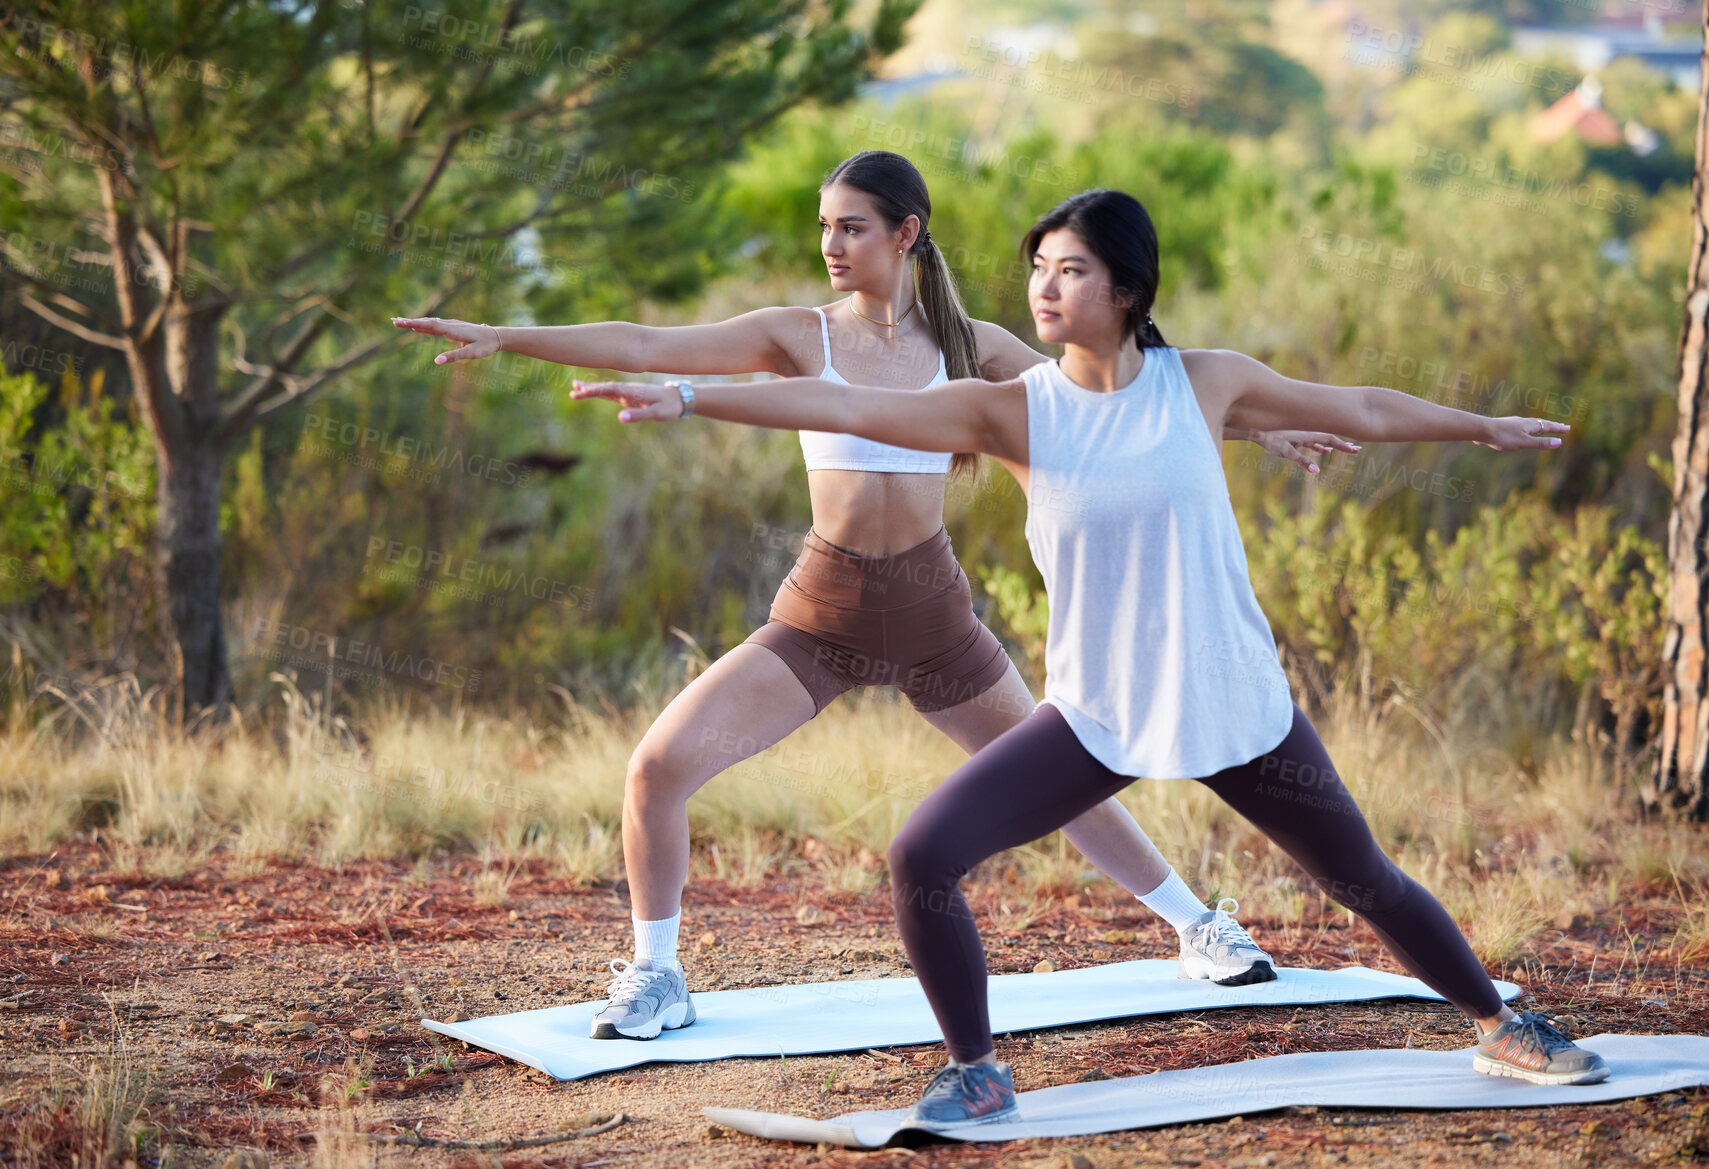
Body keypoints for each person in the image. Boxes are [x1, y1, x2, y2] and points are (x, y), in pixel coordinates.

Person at [568, 186, 1609, 1118]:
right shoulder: (1013, 409)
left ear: (1125, 286)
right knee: (922, 855)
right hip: (1098, 711)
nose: (1045, 287)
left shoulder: (1204, 384)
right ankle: (975, 1069)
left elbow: (1363, 407)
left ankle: (1498, 1023)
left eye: (1070, 269)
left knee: (1364, 881)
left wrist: (1476, 427)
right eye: (1036, 268)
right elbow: (843, 403)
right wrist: (692, 396)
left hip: (1230, 700)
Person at [394, 153, 1348, 1040]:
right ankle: (655, 972)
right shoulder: (796, 334)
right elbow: (646, 338)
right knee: (657, 767)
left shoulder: (975, 345)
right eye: (823, 226)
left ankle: (1194, 928)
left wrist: (1257, 429)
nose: (830, 245)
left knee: (1073, 774)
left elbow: (1118, 399)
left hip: (936, 619)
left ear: (906, 233)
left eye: (851, 227)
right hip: (822, 616)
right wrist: (505, 336)